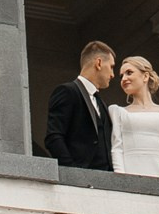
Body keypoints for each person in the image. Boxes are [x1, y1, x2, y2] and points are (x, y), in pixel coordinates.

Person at [44, 39, 116, 170]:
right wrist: (73, 171)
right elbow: (54, 137)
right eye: (111, 67)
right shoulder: (67, 91)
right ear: (99, 63)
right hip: (79, 180)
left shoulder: (102, 103)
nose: (112, 74)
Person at [109, 55, 159, 178]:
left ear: (145, 76)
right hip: (130, 178)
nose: (124, 78)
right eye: (121, 76)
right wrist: (121, 180)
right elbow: (116, 150)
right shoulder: (117, 111)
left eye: (129, 73)